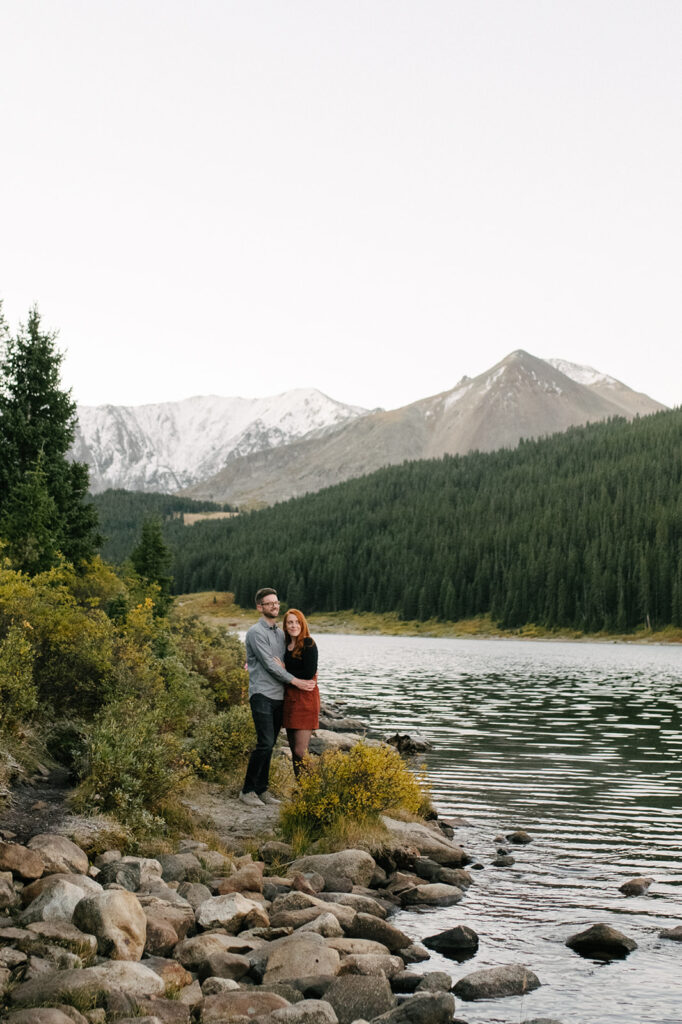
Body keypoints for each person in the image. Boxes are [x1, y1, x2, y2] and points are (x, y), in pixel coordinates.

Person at [239, 587, 315, 808]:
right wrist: (296, 681)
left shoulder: (281, 634)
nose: (275, 605)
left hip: (279, 697)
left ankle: (262, 790)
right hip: (261, 694)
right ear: (260, 607)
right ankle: (247, 790)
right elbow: (270, 664)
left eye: (276, 602)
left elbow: (290, 659)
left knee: (270, 744)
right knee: (264, 743)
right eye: (269, 603)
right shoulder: (256, 632)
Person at [282, 609, 319, 777]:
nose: (294, 625)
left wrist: (284, 670)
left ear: (302, 624)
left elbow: (308, 673)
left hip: (305, 700)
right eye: (290, 622)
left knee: (300, 751)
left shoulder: (308, 644)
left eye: (297, 622)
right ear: (285, 625)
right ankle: (302, 790)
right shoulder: (285, 645)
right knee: (293, 751)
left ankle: (316, 789)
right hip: (289, 700)